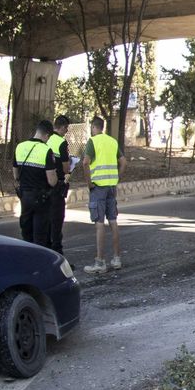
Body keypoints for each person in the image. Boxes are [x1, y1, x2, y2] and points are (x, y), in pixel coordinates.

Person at [83, 115, 122, 274]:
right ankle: (116, 258)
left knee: (99, 223)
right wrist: (116, 178)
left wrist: (89, 182)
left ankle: (100, 262)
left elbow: (85, 162)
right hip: (111, 187)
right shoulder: (113, 142)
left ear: (93, 127)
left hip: (98, 188)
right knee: (113, 221)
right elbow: (124, 162)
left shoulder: (93, 141)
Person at [13, 120, 58, 247]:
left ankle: (27, 262)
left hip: (25, 197)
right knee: (40, 237)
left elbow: (16, 175)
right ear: (47, 135)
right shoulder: (46, 150)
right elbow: (52, 181)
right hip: (41, 199)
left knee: (27, 235)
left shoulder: (20, 147)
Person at [46, 115, 72, 257]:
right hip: (57, 186)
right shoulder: (61, 143)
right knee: (56, 221)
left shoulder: (45, 138)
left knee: (46, 221)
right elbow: (66, 167)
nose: (66, 131)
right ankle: (58, 255)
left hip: (43, 185)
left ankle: (46, 251)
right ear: (62, 127)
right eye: (66, 129)